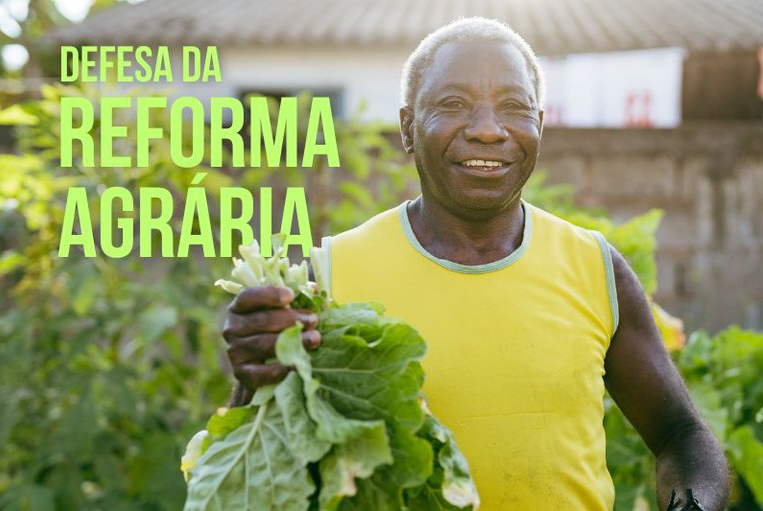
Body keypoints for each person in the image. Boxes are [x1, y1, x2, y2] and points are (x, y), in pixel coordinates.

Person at [221, 17, 729, 510]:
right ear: (407, 128)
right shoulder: (330, 275)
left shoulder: (595, 267)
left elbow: (680, 437)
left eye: (513, 107)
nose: (488, 130)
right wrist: (253, 377)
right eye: (453, 104)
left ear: (539, 127)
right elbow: (257, 459)